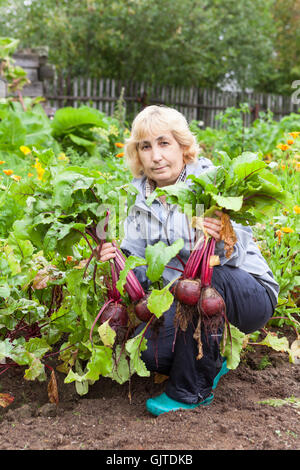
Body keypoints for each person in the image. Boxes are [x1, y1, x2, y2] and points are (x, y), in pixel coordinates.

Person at [99, 105, 279, 416]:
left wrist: (222, 237)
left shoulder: (212, 188)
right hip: (186, 298)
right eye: (146, 146)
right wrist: (117, 258)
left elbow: (235, 257)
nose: (156, 156)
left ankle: (190, 390)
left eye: (164, 143)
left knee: (202, 281)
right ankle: (213, 358)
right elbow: (139, 264)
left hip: (246, 293)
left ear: (184, 147)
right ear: (137, 154)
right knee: (153, 356)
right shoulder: (140, 201)